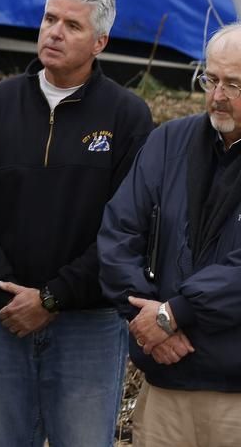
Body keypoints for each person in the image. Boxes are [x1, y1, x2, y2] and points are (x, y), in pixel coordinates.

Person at [0, 0, 153, 446]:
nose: (54, 32)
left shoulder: (128, 117)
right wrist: (7, 296)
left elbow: (127, 228)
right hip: (3, 322)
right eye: (49, 19)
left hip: (89, 328)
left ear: (100, 42)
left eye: (71, 25)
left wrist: (53, 297)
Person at [99, 22, 241, 446]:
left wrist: (175, 312)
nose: (217, 96)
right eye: (210, 79)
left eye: (234, 84)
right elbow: (117, 234)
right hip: (166, 388)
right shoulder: (169, 142)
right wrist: (148, 323)